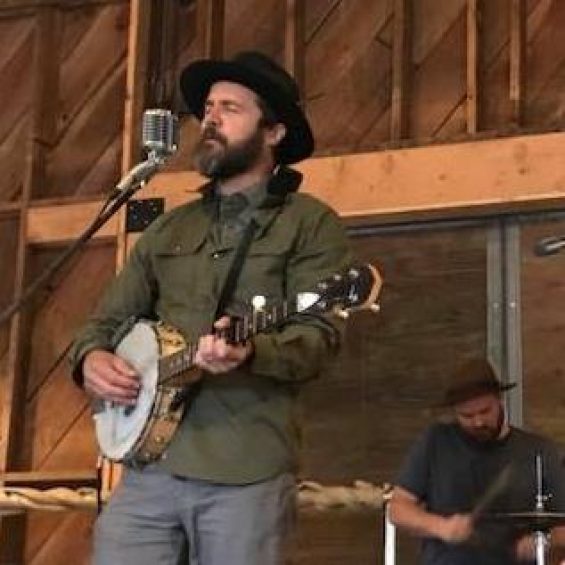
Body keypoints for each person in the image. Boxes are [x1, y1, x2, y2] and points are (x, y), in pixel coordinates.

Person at [69, 51, 359, 565]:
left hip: (245, 468)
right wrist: (90, 358)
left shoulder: (310, 224)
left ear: (273, 133)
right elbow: (104, 321)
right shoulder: (169, 228)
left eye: (231, 108)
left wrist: (251, 352)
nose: (210, 119)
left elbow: (320, 340)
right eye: (207, 107)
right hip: (148, 468)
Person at [389, 358, 565, 565]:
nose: (478, 422)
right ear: (455, 412)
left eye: (485, 411)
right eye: (467, 415)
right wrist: (441, 527)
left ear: (500, 400)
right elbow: (398, 509)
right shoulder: (436, 442)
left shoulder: (539, 451)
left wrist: (543, 542)